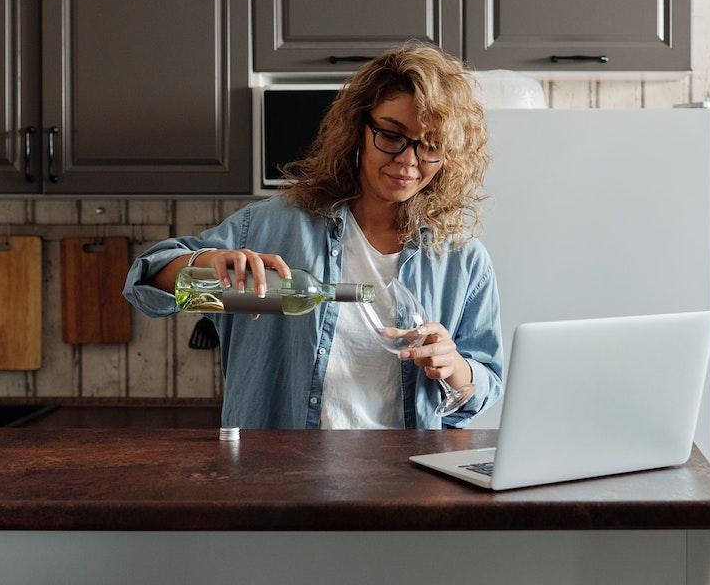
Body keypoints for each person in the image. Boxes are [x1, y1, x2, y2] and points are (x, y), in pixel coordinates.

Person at [123, 45, 502, 430]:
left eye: (431, 145)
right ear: (358, 129)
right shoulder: (272, 225)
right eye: (391, 135)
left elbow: (487, 384)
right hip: (281, 477)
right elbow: (146, 285)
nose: (408, 160)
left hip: (402, 480)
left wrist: (457, 369)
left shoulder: (462, 259)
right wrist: (203, 264)